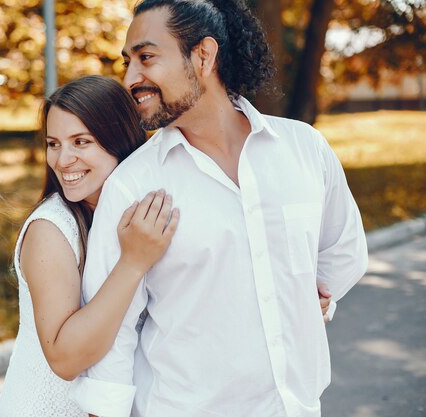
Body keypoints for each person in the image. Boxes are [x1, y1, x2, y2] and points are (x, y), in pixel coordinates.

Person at [70, 1, 368, 416]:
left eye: (146, 58)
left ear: (204, 55)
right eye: (128, 62)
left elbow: (343, 249)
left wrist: (308, 296)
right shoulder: (134, 185)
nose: (130, 78)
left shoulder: (305, 149)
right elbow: (113, 334)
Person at [0, 75, 180, 417]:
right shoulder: (50, 230)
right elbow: (64, 358)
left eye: (81, 142)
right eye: (54, 144)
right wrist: (133, 263)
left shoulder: (143, 215)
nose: (63, 160)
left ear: (119, 140)